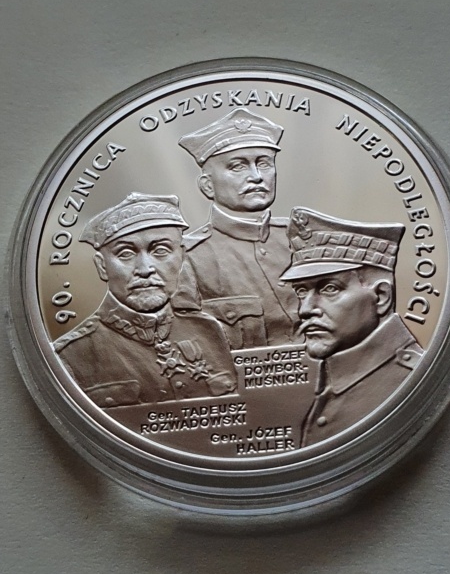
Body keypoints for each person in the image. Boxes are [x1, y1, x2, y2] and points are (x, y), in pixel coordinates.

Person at [54, 193, 237, 408]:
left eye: (160, 251)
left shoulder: (210, 330)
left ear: (182, 257)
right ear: (102, 266)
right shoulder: (71, 353)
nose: (145, 269)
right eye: (125, 254)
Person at [280, 207, 424, 446]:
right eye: (301, 291)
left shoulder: (411, 380)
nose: (305, 309)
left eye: (330, 288)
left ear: (381, 297)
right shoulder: (325, 378)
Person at [178, 107, 299, 350]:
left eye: (264, 163)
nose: (256, 176)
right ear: (207, 185)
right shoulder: (186, 258)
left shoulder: (302, 239)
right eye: (237, 166)